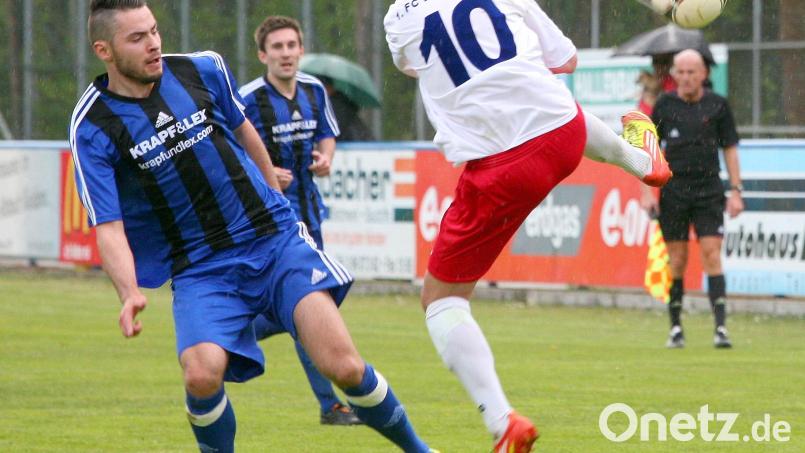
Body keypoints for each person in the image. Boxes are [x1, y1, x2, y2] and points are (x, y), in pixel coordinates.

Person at [70, 2, 435, 452]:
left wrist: (275, 196)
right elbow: (108, 225)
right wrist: (129, 293)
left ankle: (421, 450)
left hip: (272, 240)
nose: (154, 44)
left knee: (344, 367)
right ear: (103, 50)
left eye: (154, 31)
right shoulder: (93, 124)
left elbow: (244, 131)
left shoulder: (201, 69)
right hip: (201, 267)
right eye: (137, 38)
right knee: (202, 374)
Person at [384, 1, 671, 451]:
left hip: (501, 166)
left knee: (441, 300)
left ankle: (503, 423)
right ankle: (638, 158)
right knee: (551, 96)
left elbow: (412, 66)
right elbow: (567, 61)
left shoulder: (397, 18)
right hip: (565, 135)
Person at [238, 15, 361, 427]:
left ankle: (225, 336)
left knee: (302, 308)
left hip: (310, 215)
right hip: (271, 220)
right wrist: (265, 172)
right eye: (277, 47)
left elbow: (327, 133)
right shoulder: (248, 99)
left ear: (301, 50)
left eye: (292, 45)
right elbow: (232, 154)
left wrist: (327, 158)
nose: (286, 53)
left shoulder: (313, 90)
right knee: (311, 305)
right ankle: (331, 405)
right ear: (263, 55)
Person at [640, 49, 743, 349]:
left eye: (691, 72)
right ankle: (675, 329)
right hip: (674, 192)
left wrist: (736, 190)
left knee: (712, 253)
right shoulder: (664, 105)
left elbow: (731, 149)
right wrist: (647, 192)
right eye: (680, 72)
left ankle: (720, 328)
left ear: (704, 75)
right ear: (674, 75)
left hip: (709, 191)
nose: (685, 78)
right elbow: (648, 151)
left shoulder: (718, 105)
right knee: (678, 260)